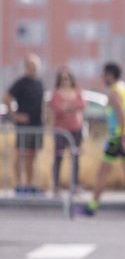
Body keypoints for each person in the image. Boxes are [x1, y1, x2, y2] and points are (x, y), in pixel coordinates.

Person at [76, 62, 125, 219]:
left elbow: (121, 115)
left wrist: (121, 138)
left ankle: (92, 207)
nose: (102, 78)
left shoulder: (115, 92)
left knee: (102, 173)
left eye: (103, 75)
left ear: (110, 75)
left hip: (118, 137)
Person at [3, 54, 45, 195]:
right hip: (24, 126)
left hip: (37, 125)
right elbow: (6, 97)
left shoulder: (39, 83)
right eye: (31, 66)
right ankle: (18, 184)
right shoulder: (21, 82)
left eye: (36, 67)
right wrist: (15, 116)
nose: (33, 69)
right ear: (26, 67)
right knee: (21, 154)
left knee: (32, 156)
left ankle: (29, 184)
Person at [49, 67, 86, 197]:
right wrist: (69, 108)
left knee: (75, 158)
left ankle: (75, 185)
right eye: (62, 78)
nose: (65, 81)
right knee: (58, 157)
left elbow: (82, 104)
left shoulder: (77, 91)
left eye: (67, 78)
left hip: (76, 129)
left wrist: (70, 107)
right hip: (61, 130)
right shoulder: (56, 93)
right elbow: (58, 109)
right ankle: (56, 186)